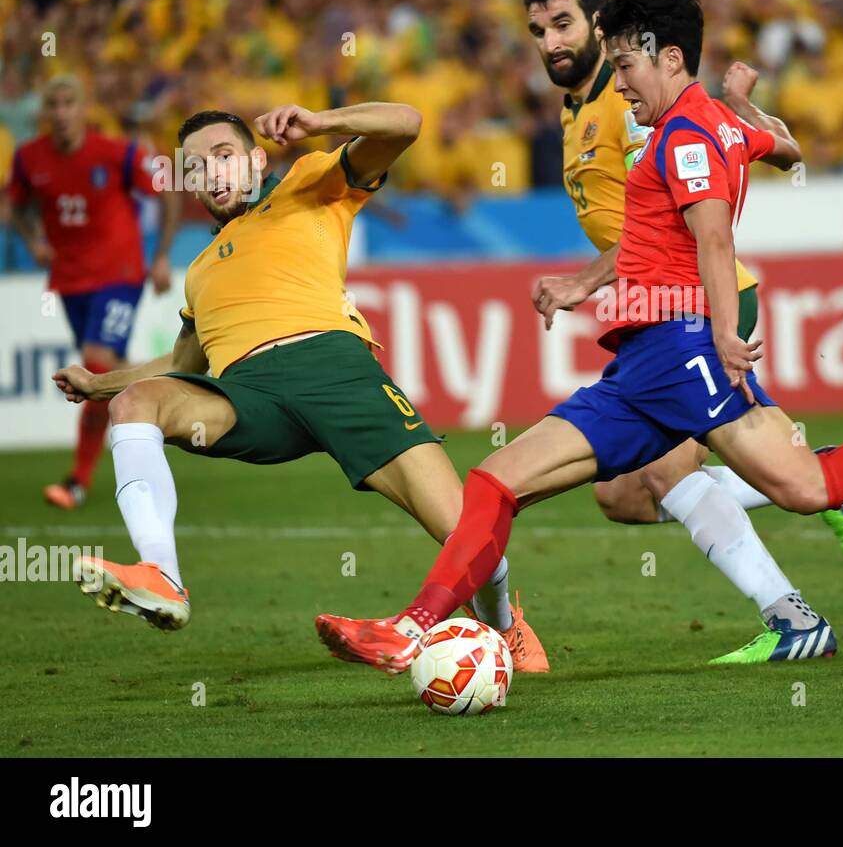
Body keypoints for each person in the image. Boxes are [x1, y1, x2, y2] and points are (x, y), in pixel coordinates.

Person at [316, 0, 843, 674]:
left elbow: (715, 237)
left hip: (683, 349)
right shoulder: (709, 120)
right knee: (496, 480)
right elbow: (786, 147)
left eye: (626, 67)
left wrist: (720, 333)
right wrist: (744, 107)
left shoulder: (681, 138)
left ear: (669, 56)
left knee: (804, 487)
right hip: (636, 367)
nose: (619, 83)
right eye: (611, 68)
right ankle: (412, 627)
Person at [51, 103, 549, 672]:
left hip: (336, 371)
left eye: (224, 156)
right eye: (197, 167)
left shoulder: (310, 184)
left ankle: (506, 628)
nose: (213, 173)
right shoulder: (200, 270)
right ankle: (162, 574)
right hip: (250, 397)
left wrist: (320, 123)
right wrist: (102, 385)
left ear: (256, 160)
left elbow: (408, 124)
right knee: (136, 403)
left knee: (467, 533)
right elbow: (184, 361)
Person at [522, 0, 843, 664]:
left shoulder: (630, 105)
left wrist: (583, 284)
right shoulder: (578, 113)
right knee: (621, 496)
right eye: (536, 30)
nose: (550, 42)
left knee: (666, 473)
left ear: (601, 28)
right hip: (657, 304)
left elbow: (668, 218)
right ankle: (817, 480)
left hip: (700, 297)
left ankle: (794, 616)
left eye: (563, 24)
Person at [6, 74, 179, 508]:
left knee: (96, 367)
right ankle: (180, 380)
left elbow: (167, 193)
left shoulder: (117, 153)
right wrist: (32, 241)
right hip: (69, 280)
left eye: (69, 103)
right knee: (112, 372)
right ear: (44, 113)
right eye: (54, 105)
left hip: (120, 274)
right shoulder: (29, 158)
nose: (62, 113)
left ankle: (77, 481)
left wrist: (160, 257)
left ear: (84, 109)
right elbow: (14, 205)